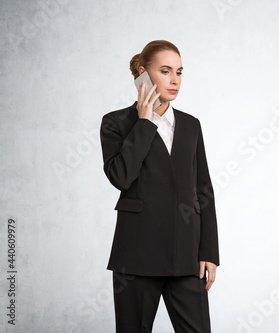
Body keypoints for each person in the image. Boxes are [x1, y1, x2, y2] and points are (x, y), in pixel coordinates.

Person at [99, 40, 219, 333]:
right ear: (143, 73)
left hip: (186, 256)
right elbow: (121, 178)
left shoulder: (191, 125)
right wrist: (145, 122)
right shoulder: (116, 123)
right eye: (165, 71)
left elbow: (203, 189)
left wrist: (209, 251)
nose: (175, 80)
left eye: (179, 72)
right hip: (137, 258)